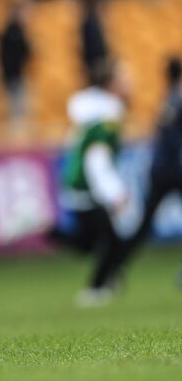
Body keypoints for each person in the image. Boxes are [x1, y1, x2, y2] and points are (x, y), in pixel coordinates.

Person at [55, 59, 132, 307]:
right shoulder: (109, 114)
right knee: (109, 241)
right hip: (89, 183)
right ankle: (96, 290)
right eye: (124, 77)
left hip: (77, 178)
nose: (130, 81)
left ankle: (108, 281)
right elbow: (97, 156)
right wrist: (114, 192)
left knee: (91, 241)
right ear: (112, 83)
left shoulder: (94, 111)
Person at [121, 57, 182, 279]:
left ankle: (119, 262)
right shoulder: (178, 99)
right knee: (145, 222)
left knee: (144, 223)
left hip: (159, 170)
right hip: (175, 170)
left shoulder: (166, 99)